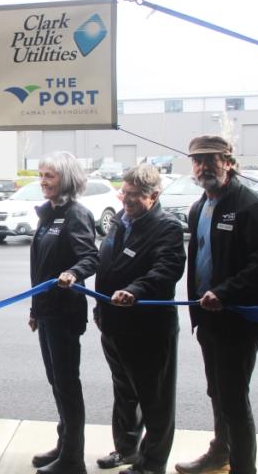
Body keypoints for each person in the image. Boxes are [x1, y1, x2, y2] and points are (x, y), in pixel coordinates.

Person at [175, 136, 258, 474]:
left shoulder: (250, 205)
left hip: (238, 321)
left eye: (211, 159)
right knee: (217, 392)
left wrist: (225, 292)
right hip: (208, 319)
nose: (204, 166)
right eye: (197, 160)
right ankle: (220, 453)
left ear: (229, 162)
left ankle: (244, 468)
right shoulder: (199, 206)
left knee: (234, 398)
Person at [94, 164, 186, 474]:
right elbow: (107, 264)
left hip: (149, 331)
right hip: (114, 327)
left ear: (154, 195)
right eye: (124, 193)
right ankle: (126, 450)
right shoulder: (121, 220)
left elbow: (166, 269)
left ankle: (152, 464)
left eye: (133, 196)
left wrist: (134, 290)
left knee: (155, 400)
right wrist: (100, 309)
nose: (125, 200)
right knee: (124, 394)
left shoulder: (167, 227)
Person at [29, 151, 98, 474]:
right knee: (56, 382)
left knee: (68, 384)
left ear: (66, 179)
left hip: (65, 313)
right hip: (46, 312)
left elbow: (90, 257)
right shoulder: (48, 214)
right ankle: (64, 445)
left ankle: (73, 459)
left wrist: (73, 272)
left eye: (49, 176)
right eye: (41, 175)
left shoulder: (76, 214)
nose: (43, 182)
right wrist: (34, 309)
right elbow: (39, 267)